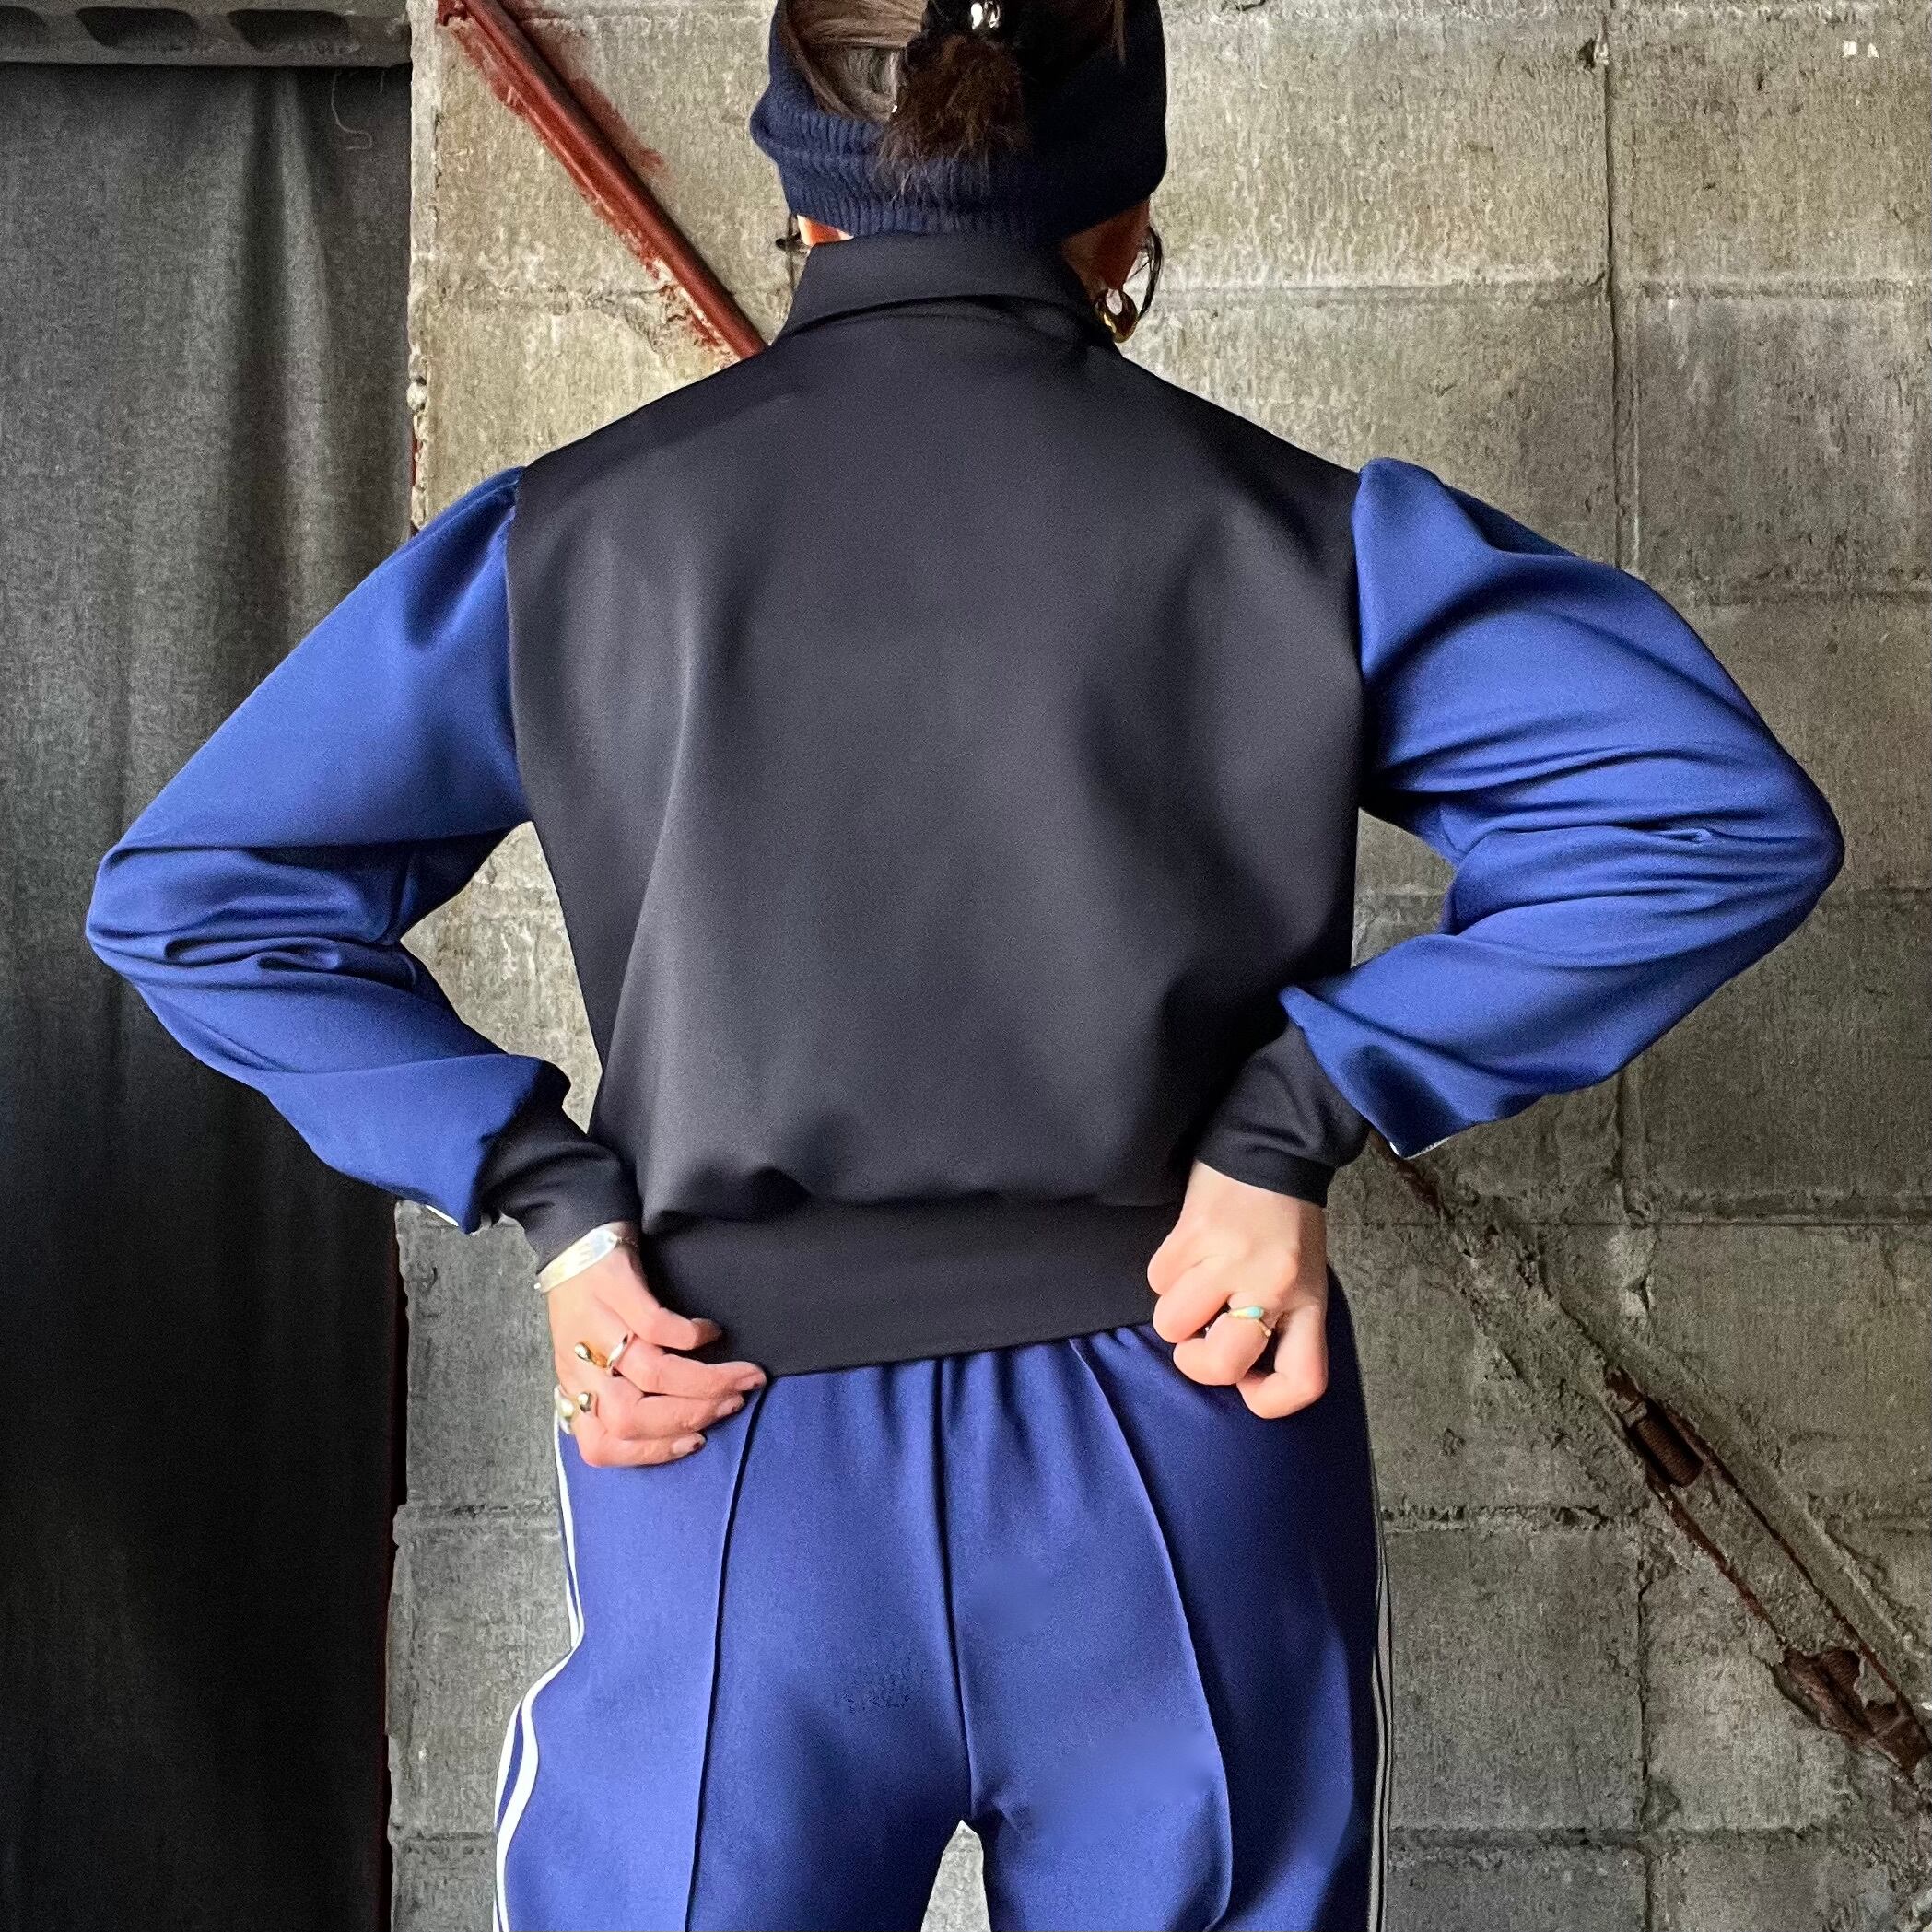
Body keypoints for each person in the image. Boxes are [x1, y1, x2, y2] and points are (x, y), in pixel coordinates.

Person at [84, 0, 1844, 1925]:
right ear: (1125, 211)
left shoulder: (570, 537)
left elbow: (201, 893)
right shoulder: (1304, 532)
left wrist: (546, 1193)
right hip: (1181, 1412)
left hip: (725, 1417)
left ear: (799, 188)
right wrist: (1300, 1108)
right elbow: (1708, 819)